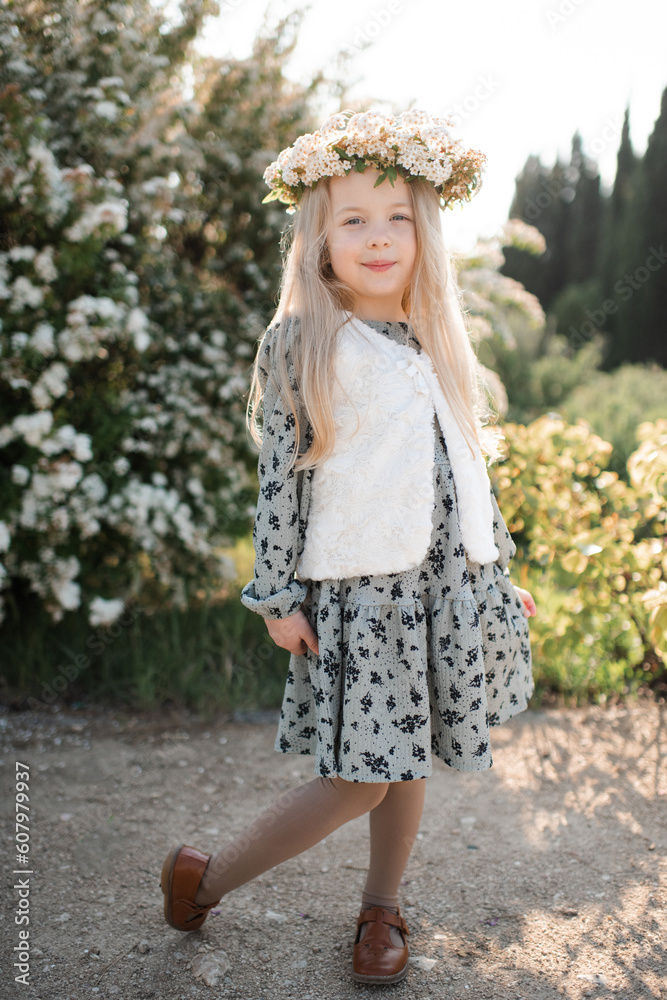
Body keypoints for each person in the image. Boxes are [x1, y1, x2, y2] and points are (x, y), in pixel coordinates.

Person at [160, 109, 536, 986]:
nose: (377, 237)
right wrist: (277, 595)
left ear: (425, 233)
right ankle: (203, 881)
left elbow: (464, 472)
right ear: (318, 238)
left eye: (396, 216)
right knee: (358, 778)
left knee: (405, 761)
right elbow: (281, 483)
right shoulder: (304, 341)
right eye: (352, 219)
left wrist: (495, 572)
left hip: (440, 585)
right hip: (360, 598)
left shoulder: (436, 341)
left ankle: (380, 906)